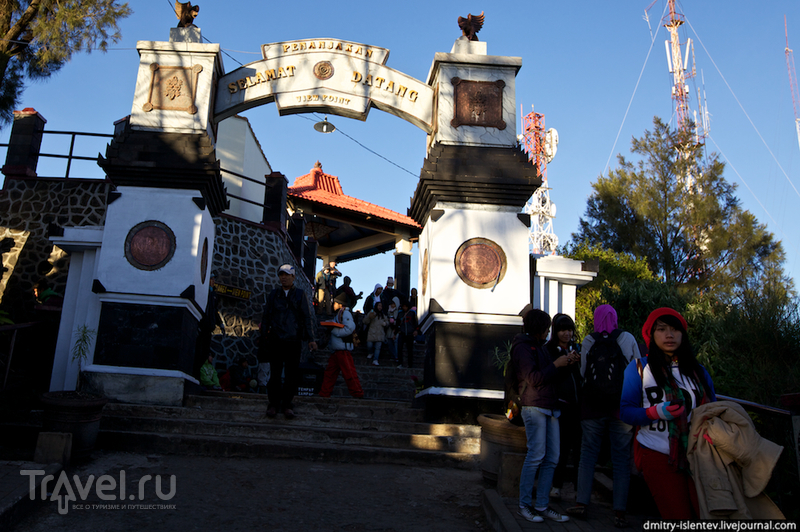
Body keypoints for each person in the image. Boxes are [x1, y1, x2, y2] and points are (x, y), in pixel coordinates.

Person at [620, 307, 716, 520]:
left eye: (675, 329)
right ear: (651, 335)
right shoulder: (638, 368)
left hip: (697, 454)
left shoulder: (698, 371)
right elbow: (625, 412)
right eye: (661, 329)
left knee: (706, 513)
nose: (669, 335)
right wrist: (655, 412)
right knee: (678, 515)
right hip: (656, 453)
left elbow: (712, 409)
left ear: (683, 335)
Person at [567, 304, 640, 526]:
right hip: (621, 408)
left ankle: (581, 504)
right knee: (620, 460)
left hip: (592, 407)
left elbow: (582, 373)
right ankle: (619, 512)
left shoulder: (589, 340)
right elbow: (638, 372)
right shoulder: (627, 338)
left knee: (587, 455)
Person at [512, 309, 576, 524]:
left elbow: (551, 376)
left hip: (550, 406)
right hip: (534, 405)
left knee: (552, 458)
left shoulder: (539, 347)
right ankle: (524, 504)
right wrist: (556, 365)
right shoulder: (523, 347)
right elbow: (533, 378)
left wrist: (566, 363)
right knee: (536, 455)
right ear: (538, 328)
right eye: (547, 327)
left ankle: (542, 504)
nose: (549, 331)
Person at [259, 264, 317, 420]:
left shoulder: (300, 294)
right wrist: (264, 335)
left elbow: (306, 317)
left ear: (293, 277)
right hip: (276, 339)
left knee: (291, 374)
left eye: (286, 274)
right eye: (281, 274)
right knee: (275, 374)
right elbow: (266, 317)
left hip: (293, 339)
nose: (283, 277)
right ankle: (273, 404)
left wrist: (311, 339)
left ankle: (287, 404)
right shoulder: (273, 294)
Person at [543, 313, 582, 502]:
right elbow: (548, 376)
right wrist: (562, 364)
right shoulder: (549, 351)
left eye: (569, 330)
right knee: (561, 448)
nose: (567, 334)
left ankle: (578, 489)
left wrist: (577, 362)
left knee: (579, 449)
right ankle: (556, 486)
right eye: (562, 330)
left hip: (578, 407)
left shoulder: (577, 349)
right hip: (560, 406)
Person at [318, 292, 364, 398]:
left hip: (342, 350)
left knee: (348, 372)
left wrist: (334, 330)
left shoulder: (345, 314)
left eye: (334, 303)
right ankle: (324, 393)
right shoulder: (341, 314)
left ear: (339, 304)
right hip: (337, 350)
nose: (333, 305)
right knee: (330, 373)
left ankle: (357, 392)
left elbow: (350, 328)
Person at [362, 300, 387, 366]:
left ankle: (375, 359)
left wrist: (385, 323)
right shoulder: (372, 312)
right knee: (369, 345)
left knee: (378, 348)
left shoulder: (383, 314)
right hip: (371, 332)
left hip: (380, 333)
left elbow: (387, 322)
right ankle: (370, 353)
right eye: (379, 305)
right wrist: (370, 317)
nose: (380, 307)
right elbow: (365, 321)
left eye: (381, 306)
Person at [396, 299, 418, 368]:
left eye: (406, 306)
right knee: (399, 348)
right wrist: (397, 330)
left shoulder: (412, 313)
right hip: (402, 333)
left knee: (410, 349)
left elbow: (416, 323)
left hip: (410, 333)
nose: (404, 308)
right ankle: (400, 363)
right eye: (403, 306)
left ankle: (410, 364)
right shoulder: (400, 313)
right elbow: (397, 323)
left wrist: (416, 330)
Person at [383, 296, 400, 366]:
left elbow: (399, 321)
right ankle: (393, 356)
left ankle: (396, 356)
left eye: (394, 304)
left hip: (395, 330)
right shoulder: (388, 311)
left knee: (395, 343)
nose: (392, 305)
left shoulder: (398, 312)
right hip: (389, 330)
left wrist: (394, 322)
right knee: (390, 344)